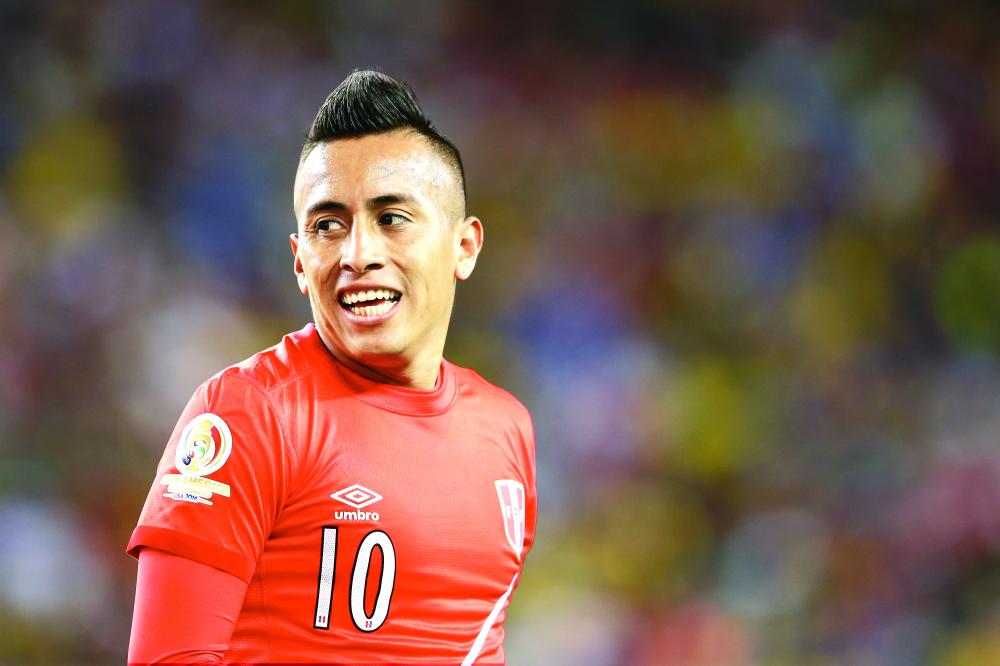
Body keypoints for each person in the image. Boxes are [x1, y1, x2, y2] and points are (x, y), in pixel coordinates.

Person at [126, 70, 536, 664]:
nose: (358, 254)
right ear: (298, 260)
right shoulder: (249, 415)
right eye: (327, 225)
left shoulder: (507, 430)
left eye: (391, 218)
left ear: (464, 246)